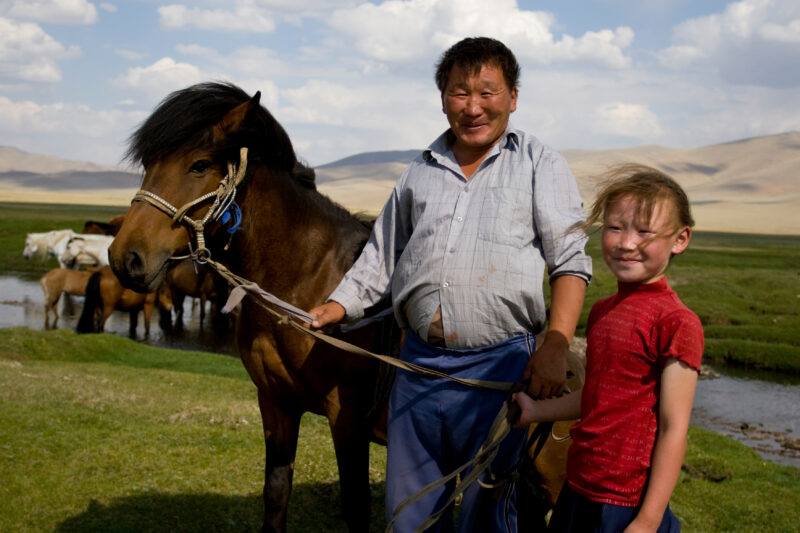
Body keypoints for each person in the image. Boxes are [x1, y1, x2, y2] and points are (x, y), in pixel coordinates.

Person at [309, 36, 591, 532]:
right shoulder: (418, 172)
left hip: (501, 364)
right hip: (417, 365)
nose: (474, 106)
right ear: (442, 99)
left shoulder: (539, 164)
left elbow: (569, 260)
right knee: (411, 512)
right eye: (460, 92)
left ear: (513, 97)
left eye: (488, 92)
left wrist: (556, 343)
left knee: (487, 513)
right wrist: (334, 308)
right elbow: (381, 257)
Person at [513, 164, 704, 533]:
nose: (626, 242)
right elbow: (598, 396)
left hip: (627, 500)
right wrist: (537, 410)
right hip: (579, 483)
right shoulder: (603, 310)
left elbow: (673, 428)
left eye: (645, 231)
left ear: (680, 239)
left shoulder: (678, 322)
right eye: (615, 227)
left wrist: (648, 520)